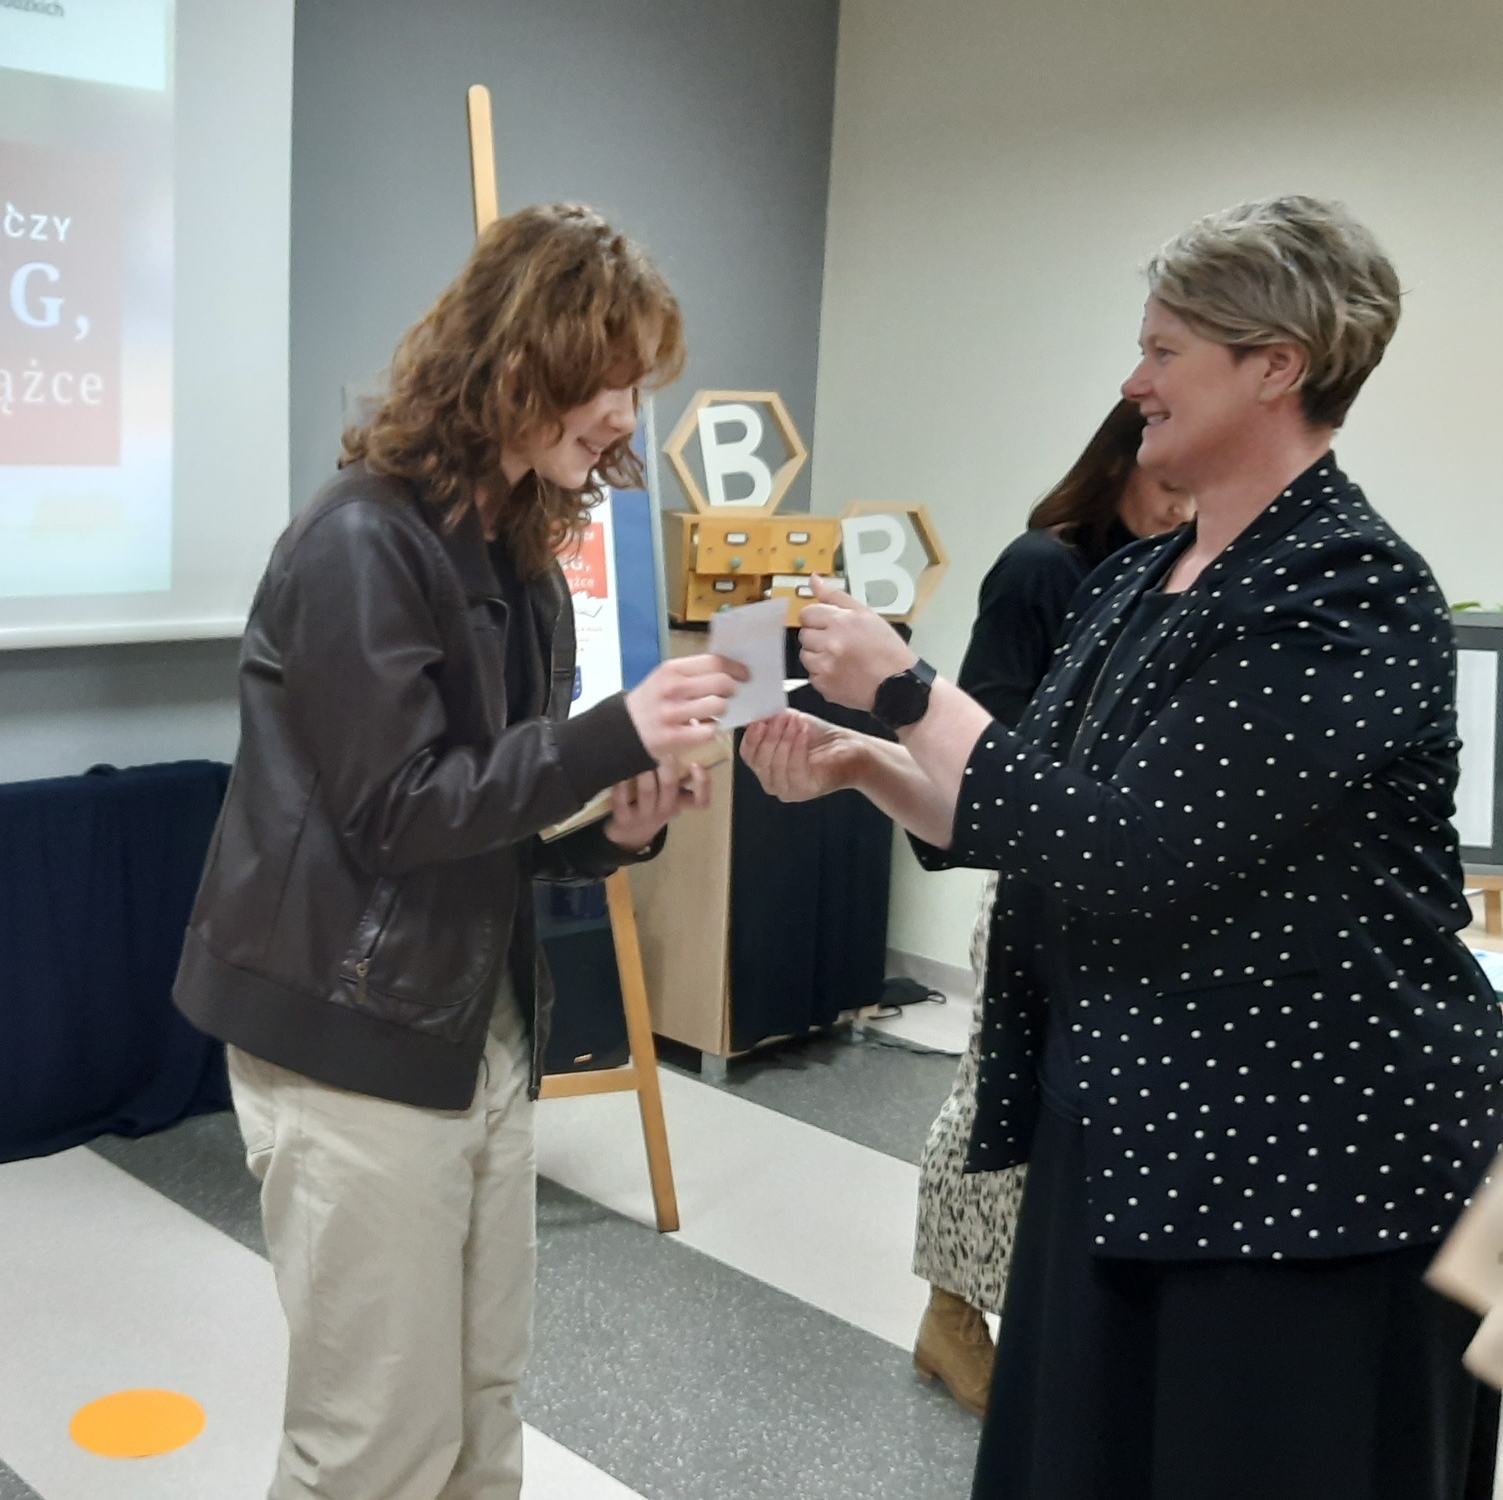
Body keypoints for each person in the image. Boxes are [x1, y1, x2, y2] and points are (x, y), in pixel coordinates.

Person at [745, 195, 1503, 1499]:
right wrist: (867, 763)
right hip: (1127, 1125)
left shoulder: (1350, 593)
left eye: (1164, 350)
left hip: (1303, 1171)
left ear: (1275, 367)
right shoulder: (1129, 583)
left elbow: (1140, 848)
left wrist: (908, 693)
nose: (1130, 382)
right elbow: (1036, 809)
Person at [174, 203, 743, 1500]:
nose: (625, 416)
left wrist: (612, 830)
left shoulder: (517, 556)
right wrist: (608, 737)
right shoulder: (360, 542)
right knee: (376, 1442)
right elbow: (397, 812)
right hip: (351, 1035)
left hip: (471, 1025)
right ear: (519, 361)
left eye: (636, 384)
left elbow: (492, 821)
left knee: (482, 1413)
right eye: (608, 380)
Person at [913, 399, 1193, 1414]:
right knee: (992, 1098)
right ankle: (950, 1311)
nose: (1180, 511)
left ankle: (1048, 1315)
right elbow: (978, 733)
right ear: (1119, 463)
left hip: (1125, 891)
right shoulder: (1044, 568)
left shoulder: (1179, 578)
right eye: (1167, 487)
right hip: (1041, 882)